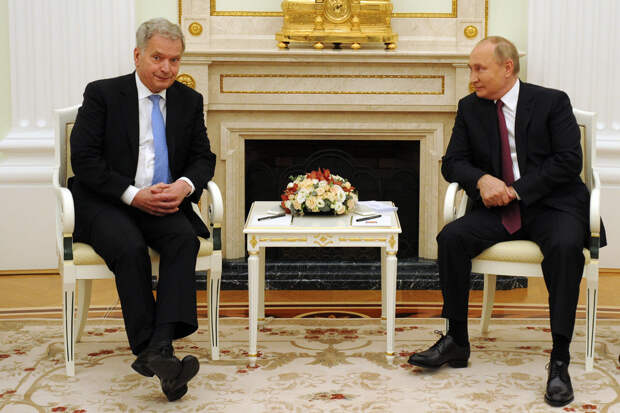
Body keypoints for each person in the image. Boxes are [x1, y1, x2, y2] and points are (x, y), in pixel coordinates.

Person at [407, 36, 605, 407]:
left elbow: (568, 162)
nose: (472, 77)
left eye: (479, 68)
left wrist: (515, 190)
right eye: (471, 69)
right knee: (451, 238)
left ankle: (559, 359)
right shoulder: (470, 108)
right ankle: (456, 340)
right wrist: (481, 179)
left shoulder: (552, 102)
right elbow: (453, 163)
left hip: (554, 206)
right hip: (499, 211)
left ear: (507, 68)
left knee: (565, 248)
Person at [70, 18, 216, 401]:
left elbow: (203, 158)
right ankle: (156, 350)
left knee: (183, 240)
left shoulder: (189, 101)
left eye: (174, 60)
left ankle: (159, 348)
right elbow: (84, 160)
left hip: (163, 202)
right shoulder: (103, 94)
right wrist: (133, 195)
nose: (166, 68)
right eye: (157, 58)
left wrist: (184, 187)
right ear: (138, 56)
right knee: (130, 247)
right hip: (107, 201)